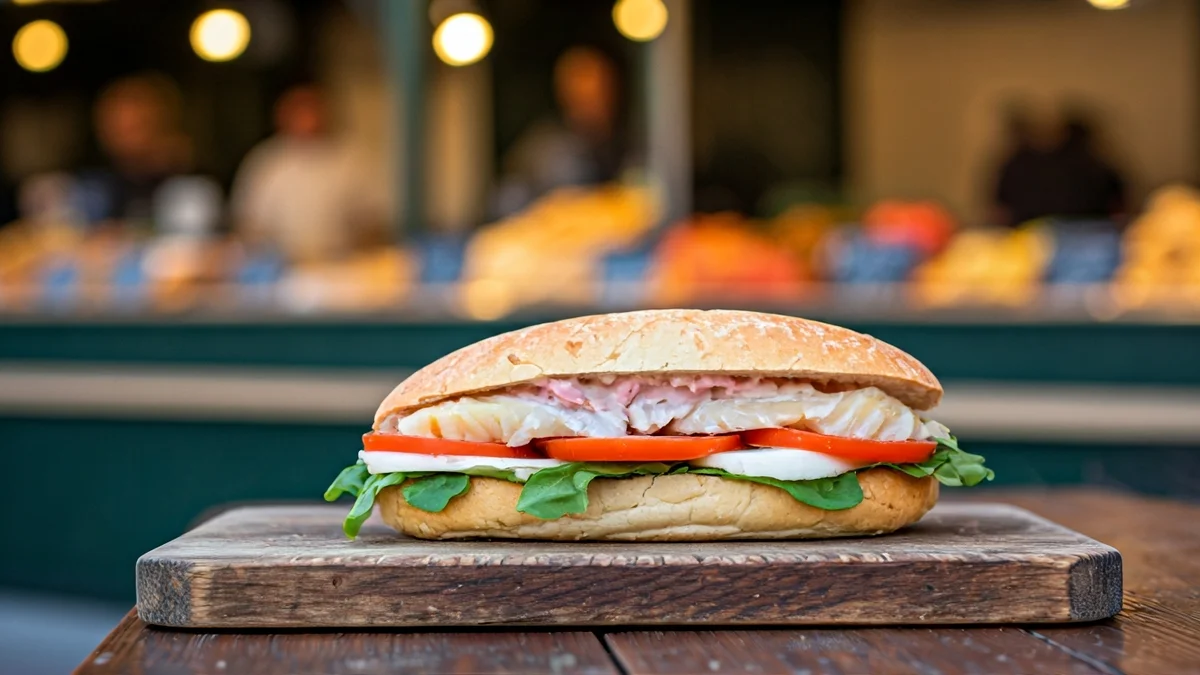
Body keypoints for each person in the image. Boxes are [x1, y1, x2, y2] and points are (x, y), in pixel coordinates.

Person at [230, 84, 384, 263]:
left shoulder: (351, 160)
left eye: (310, 110)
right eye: (298, 112)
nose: (305, 119)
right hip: (280, 270)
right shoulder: (267, 163)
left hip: (342, 267)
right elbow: (247, 222)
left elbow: (373, 221)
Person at [493, 46, 629, 216]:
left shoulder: (632, 143)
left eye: (598, 90)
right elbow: (506, 200)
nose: (590, 102)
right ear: (563, 93)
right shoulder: (541, 148)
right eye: (580, 92)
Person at [85, 73, 193, 227]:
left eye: (133, 127)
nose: (122, 137)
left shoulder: (188, 181)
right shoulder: (99, 184)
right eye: (114, 127)